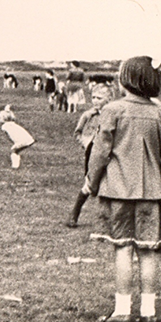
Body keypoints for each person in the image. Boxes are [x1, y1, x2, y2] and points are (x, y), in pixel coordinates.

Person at [85, 57, 161, 322]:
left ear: (126, 79)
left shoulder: (112, 110)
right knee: (148, 251)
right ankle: (149, 311)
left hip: (118, 191)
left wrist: (92, 180)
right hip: (150, 193)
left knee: (122, 248)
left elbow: (99, 152)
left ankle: (122, 310)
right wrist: (154, 180)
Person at [68, 84, 113, 227]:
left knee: (110, 182)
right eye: (93, 97)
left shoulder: (114, 114)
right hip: (93, 151)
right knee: (91, 181)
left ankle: (109, 218)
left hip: (111, 151)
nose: (95, 101)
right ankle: (74, 213)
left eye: (99, 98)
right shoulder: (88, 115)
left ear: (109, 98)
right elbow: (77, 132)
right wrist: (86, 142)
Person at [0, 105, 35, 170]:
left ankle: (15, 166)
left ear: (4, 118)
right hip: (28, 139)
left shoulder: (4, 126)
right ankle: (16, 164)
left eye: (0, 118)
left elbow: (9, 136)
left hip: (22, 141)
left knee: (13, 151)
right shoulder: (12, 123)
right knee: (16, 151)